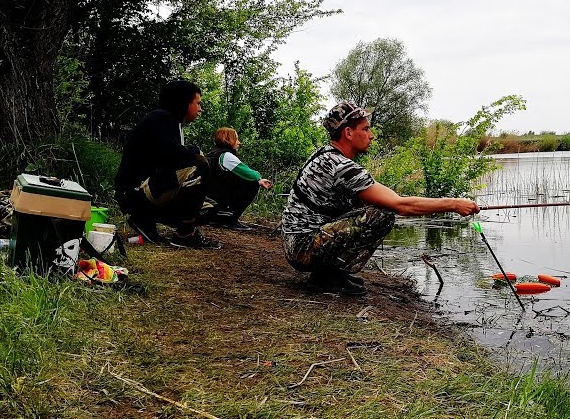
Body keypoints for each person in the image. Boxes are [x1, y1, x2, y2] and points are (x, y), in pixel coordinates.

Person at [280, 100, 480, 296]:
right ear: (348, 133)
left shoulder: (325, 155)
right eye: (366, 129)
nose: (372, 135)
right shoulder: (341, 166)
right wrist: (454, 204)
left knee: (368, 206)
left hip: (297, 243)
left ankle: (330, 273)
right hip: (302, 249)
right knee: (382, 214)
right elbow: (401, 205)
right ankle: (326, 276)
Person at [113, 80, 221, 249]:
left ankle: (146, 219)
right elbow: (174, 157)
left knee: (211, 208)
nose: (200, 109)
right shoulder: (160, 119)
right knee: (199, 163)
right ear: (184, 102)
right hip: (135, 191)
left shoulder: (173, 123)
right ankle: (184, 234)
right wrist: (198, 157)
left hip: (151, 189)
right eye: (198, 103)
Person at [204, 127, 274, 231]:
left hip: (211, 196)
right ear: (228, 140)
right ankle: (229, 219)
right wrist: (258, 179)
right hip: (219, 198)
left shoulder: (214, 154)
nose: (239, 142)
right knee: (252, 183)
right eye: (236, 139)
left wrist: (260, 181)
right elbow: (250, 174)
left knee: (251, 181)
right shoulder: (226, 156)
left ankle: (219, 216)